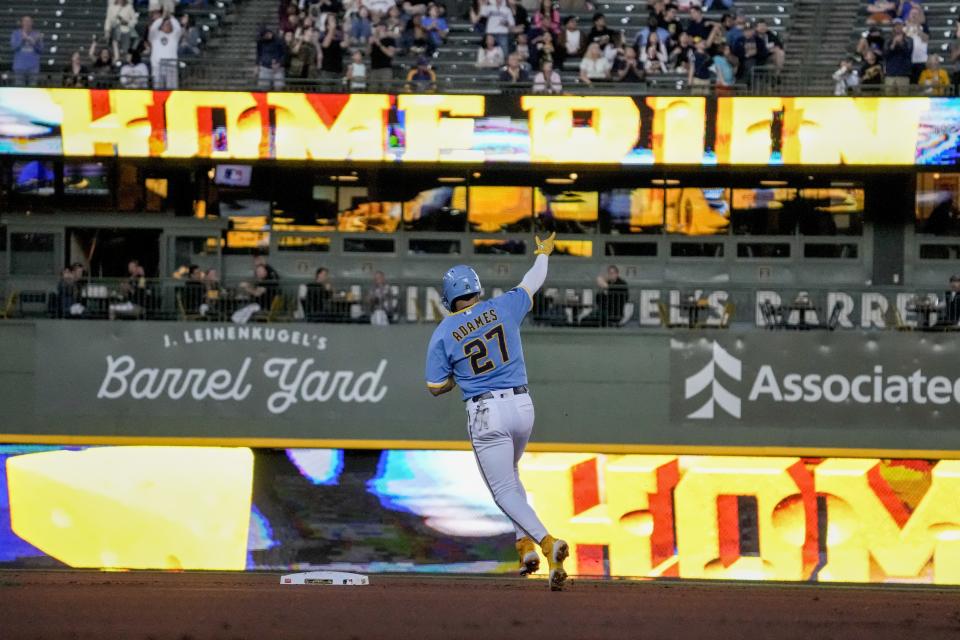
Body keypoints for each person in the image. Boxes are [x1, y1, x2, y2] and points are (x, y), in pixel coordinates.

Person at [423, 232, 570, 591]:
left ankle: (547, 544)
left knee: (502, 490)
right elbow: (533, 280)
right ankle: (526, 549)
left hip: (486, 412)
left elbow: (435, 386)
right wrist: (543, 253)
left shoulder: (444, 331)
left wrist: (459, 377)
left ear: (449, 299)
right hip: (522, 406)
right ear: (476, 288)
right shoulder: (503, 306)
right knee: (512, 476)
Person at [148, 11, 181, 89]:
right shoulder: (155, 35)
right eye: (165, 24)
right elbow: (153, 28)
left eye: (169, 24)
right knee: (158, 89)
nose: (167, 25)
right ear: (161, 25)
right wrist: (162, 18)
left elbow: (178, 28)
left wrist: (171, 17)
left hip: (171, 66)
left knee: (172, 89)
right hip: (157, 65)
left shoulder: (174, 36)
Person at [11, 16, 44, 86]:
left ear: (32, 23)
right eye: (25, 21)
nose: (27, 23)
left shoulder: (37, 34)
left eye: (29, 21)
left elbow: (41, 50)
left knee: (32, 89)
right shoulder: (16, 34)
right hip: (19, 67)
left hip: (33, 67)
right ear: (22, 23)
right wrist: (22, 40)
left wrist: (34, 43)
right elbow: (13, 48)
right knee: (20, 89)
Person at [883, 19, 913, 94]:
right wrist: (893, 44)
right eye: (895, 25)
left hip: (903, 74)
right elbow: (885, 55)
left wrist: (900, 43)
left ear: (903, 26)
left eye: (899, 25)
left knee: (903, 99)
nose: (897, 27)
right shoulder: (888, 40)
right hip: (890, 74)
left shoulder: (909, 40)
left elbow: (908, 53)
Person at [369, 24, 397, 90]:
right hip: (374, 69)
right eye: (377, 27)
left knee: (386, 89)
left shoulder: (390, 40)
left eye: (381, 27)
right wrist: (369, 44)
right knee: (373, 90)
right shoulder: (374, 40)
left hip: (385, 69)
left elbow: (390, 54)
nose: (379, 29)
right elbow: (368, 53)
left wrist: (379, 44)